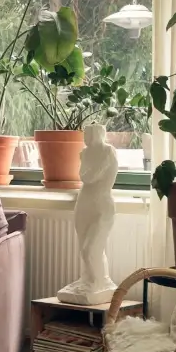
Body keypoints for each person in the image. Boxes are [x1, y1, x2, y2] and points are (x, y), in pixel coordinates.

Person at [57, 123, 118, 304]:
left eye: (89, 134)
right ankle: (92, 279)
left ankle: (98, 281)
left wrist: (88, 166)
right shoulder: (85, 153)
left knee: (90, 249)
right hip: (84, 203)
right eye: (85, 134)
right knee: (87, 246)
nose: (86, 138)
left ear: (98, 133)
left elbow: (90, 176)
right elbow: (84, 176)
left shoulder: (108, 152)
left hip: (102, 205)